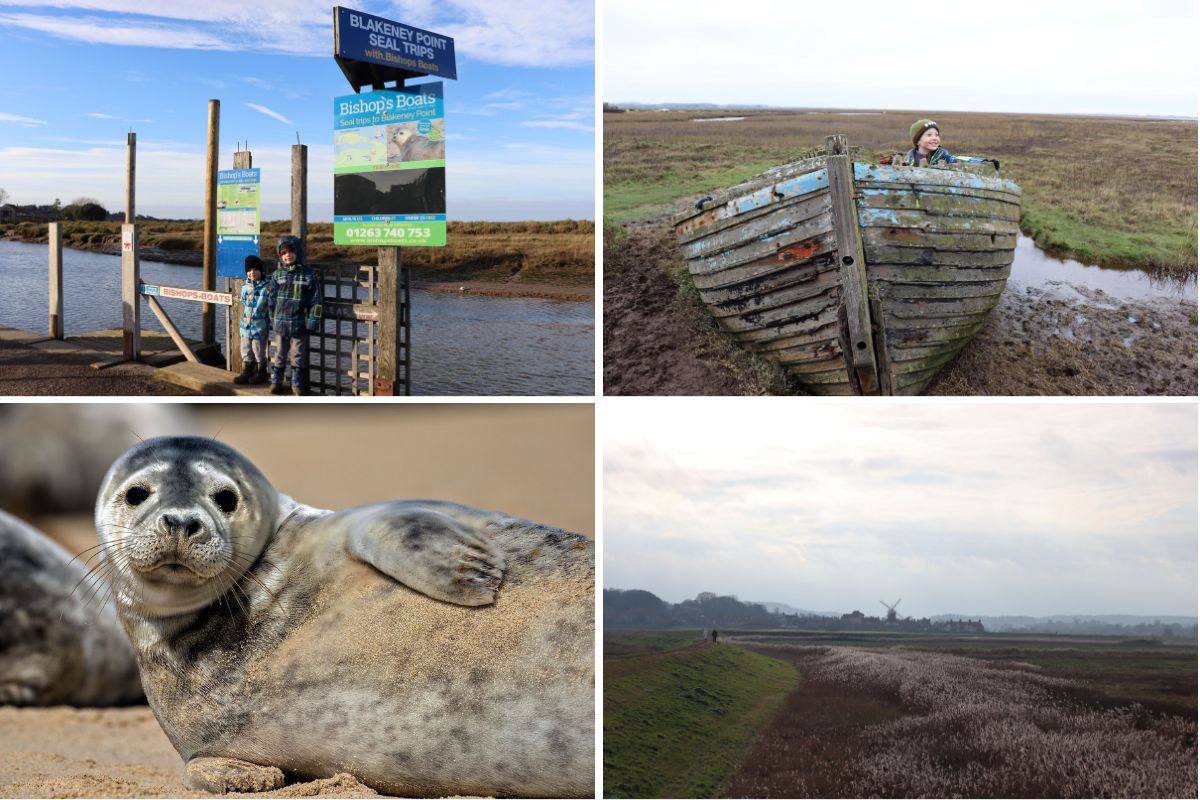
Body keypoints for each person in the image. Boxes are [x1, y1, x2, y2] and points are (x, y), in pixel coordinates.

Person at [268, 235, 323, 396]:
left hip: (299, 323)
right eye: (284, 253)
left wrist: (313, 321)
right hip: (280, 324)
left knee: (297, 355)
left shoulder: (308, 275)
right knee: (279, 353)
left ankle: (296, 384)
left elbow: (316, 300)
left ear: (298, 252)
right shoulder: (277, 275)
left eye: (291, 252)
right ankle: (276, 382)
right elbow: (271, 300)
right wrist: (272, 319)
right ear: (280, 255)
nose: (288, 255)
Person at [233, 255, 274, 386]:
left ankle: (261, 372)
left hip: (260, 325)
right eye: (249, 270)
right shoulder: (245, 287)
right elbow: (244, 301)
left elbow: (271, 305)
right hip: (246, 325)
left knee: (258, 350)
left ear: (261, 271)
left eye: (255, 270)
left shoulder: (267, 287)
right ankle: (247, 371)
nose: (252, 273)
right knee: (245, 348)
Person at [903, 119, 1000, 170]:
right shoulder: (908, 158)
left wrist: (982, 161)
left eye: (936, 135)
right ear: (918, 141)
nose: (934, 138)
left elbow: (961, 160)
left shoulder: (943, 156)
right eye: (929, 135)